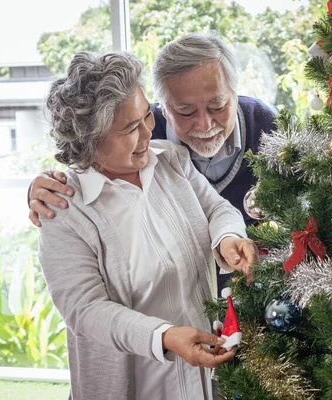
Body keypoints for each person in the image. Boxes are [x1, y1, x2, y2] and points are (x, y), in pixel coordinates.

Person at [38, 51, 258, 400]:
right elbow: (86, 311)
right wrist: (165, 337)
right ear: (90, 139)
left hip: (202, 383)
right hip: (140, 387)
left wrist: (228, 236)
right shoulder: (64, 210)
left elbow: (218, 209)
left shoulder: (171, 160)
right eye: (130, 128)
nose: (147, 132)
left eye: (146, 117)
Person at [28, 32, 277, 292]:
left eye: (217, 106)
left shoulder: (267, 126)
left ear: (235, 93)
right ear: (162, 107)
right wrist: (42, 190)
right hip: (187, 306)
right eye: (185, 111)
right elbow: (88, 162)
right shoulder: (140, 137)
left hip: (261, 297)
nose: (205, 124)